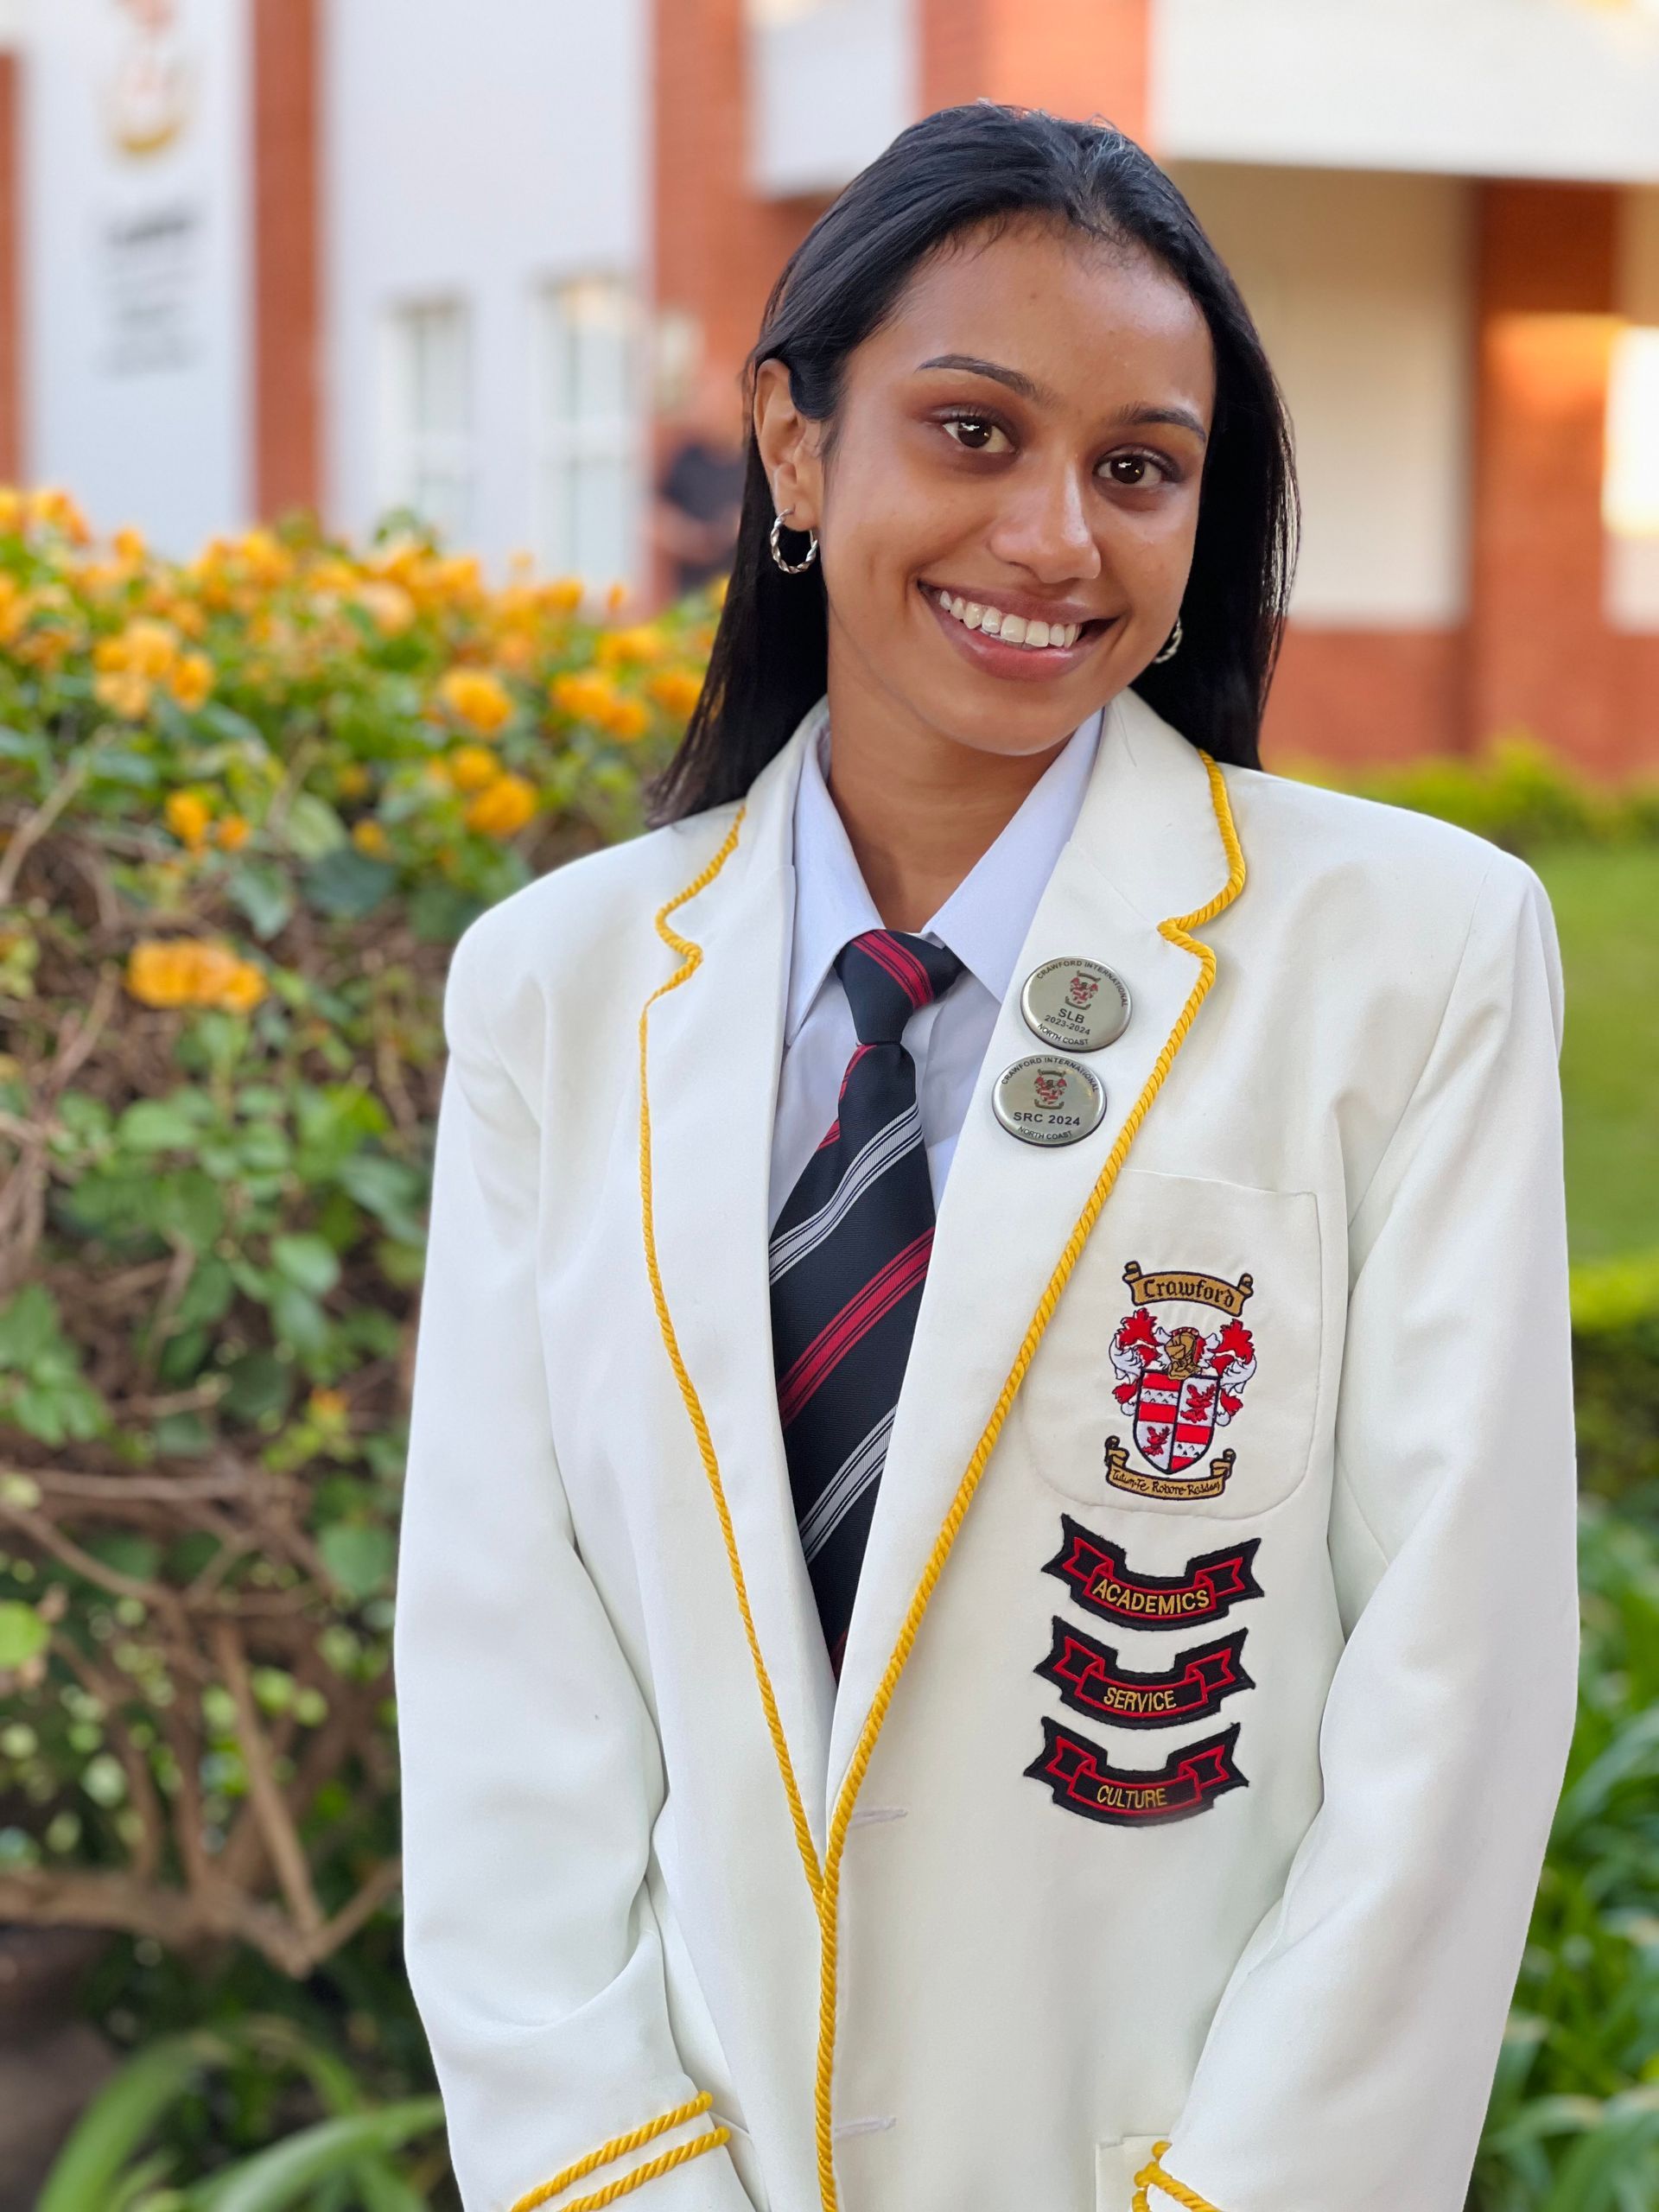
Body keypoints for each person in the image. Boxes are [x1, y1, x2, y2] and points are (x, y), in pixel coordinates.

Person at [393, 103, 1578, 2212]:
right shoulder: (560, 988)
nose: (1056, 536)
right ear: (790, 446)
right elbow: (504, 1673)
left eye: (1139, 467)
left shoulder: (1408, 954)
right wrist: (615, 2173)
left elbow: (1456, 1684)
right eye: (970, 431)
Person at [650, 359, 748, 597]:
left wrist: (746, 526)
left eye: (712, 405)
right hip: (694, 595)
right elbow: (656, 516)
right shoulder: (686, 459)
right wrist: (689, 538)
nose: (704, 414)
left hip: (743, 591)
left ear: (733, 408)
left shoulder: (755, 462)